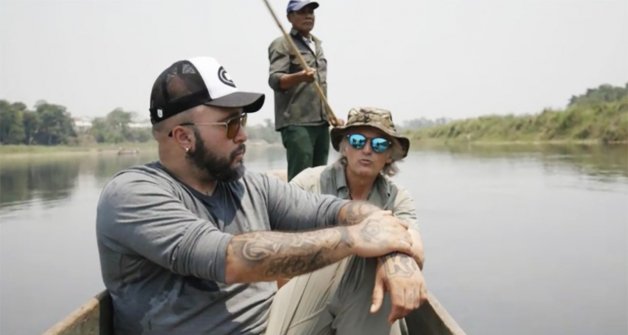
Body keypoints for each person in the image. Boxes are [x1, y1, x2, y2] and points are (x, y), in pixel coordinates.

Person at [96, 56, 423, 335]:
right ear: (183, 136)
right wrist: (356, 238)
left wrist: (394, 254)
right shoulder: (133, 194)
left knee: (363, 259)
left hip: (273, 325)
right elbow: (230, 258)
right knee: (353, 247)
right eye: (230, 124)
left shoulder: (245, 184)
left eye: (244, 120)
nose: (243, 134)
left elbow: (335, 209)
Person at [266, 107, 426, 334]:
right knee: (359, 245)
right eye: (358, 141)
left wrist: (395, 261)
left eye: (379, 144)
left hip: (358, 306)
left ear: (389, 155)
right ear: (344, 147)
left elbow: (416, 248)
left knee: (386, 259)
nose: (367, 150)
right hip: (304, 302)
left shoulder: (397, 197)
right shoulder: (308, 184)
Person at [268, 0, 334, 180]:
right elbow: (275, 80)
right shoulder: (283, 44)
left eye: (311, 12)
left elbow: (320, 85)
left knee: (321, 176)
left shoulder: (317, 45)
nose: (308, 16)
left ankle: (317, 209)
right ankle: (295, 208)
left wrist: (329, 114)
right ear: (290, 17)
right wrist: (300, 77)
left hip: (320, 122)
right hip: (297, 122)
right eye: (302, 12)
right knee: (301, 178)